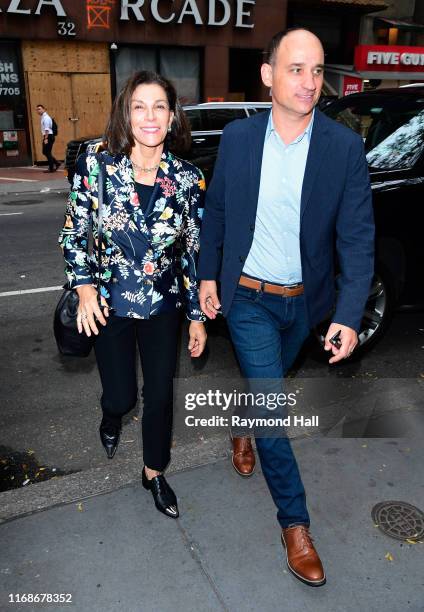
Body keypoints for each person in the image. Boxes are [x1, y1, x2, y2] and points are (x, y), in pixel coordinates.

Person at [198, 28, 374, 586]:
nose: (309, 81)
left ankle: (242, 426)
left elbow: (356, 239)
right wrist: (207, 275)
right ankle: (295, 523)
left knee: (265, 390)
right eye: (296, 69)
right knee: (275, 410)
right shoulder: (240, 139)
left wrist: (347, 314)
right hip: (247, 296)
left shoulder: (343, 148)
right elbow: (217, 214)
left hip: (305, 307)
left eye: (318, 70)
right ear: (268, 75)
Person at [59, 71, 207, 519]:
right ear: (127, 113)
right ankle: (111, 414)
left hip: (164, 307)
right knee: (123, 397)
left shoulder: (188, 180)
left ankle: (154, 472)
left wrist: (197, 315)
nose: (149, 115)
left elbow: (193, 253)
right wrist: (84, 289)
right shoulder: (97, 167)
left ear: (172, 116)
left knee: (160, 394)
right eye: (139, 106)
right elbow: (74, 232)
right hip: (109, 305)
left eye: (159, 106)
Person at [35, 104, 60, 173]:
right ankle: (57, 163)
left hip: (48, 136)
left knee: (47, 152)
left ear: (44, 109)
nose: (38, 111)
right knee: (45, 152)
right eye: (37, 109)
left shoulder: (46, 118)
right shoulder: (43, 117)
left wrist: (46, 138)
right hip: (48, 136)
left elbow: (47, 129)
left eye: (39, 109)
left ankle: (51, 168)